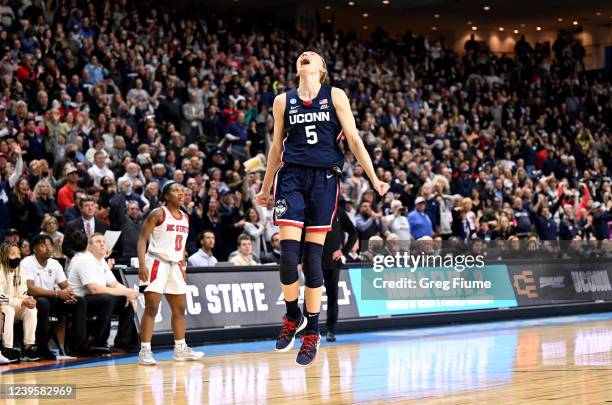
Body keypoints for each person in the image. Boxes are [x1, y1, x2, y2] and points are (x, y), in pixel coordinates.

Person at [255, 49, 389, 367]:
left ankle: (312, 331)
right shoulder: (282, 101)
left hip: (324, 180)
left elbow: (354, 139)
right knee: (288, 258)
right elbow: (276, 147)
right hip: (290, 178)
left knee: (313, 259)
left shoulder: (335, 95)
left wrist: (374, 179)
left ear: (321, 68)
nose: (304, 55)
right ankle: (293, 316)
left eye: (311, 55)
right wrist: (264, 186)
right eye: (301, 55)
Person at [137, 182, 203, 366]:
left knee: (180, 308)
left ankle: (180, 349)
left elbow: (179, 243)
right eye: (176, 191)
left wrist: (182, 257)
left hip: (175, 265)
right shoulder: (158, 213)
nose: (181, 194)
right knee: (152, 308)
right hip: (156, 262)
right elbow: (142, 239)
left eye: (183, 191)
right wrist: (142, 264)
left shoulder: (185, 217)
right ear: (166, 195)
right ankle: (145, 351)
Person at [67, 234, 138, 356]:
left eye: (104, 242)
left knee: (125, 301)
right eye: (98, 241)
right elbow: (94, 289)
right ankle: (99, 343)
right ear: (89, 247)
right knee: (107, 299)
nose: (102, 244)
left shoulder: (102, 262)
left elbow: (114, 284)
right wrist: (126, 292)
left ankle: (122, 342)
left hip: (96, 300)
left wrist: (130, 293)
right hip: (78, 301)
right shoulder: (84, 260)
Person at [22, 234, 87, 358]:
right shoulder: (27, 262)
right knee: (42, 302)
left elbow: (66, 286)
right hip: (32, 300)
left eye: (50, 245)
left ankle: (78, 346)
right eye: (43, 245)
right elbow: (30, 289)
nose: (48, 248)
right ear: (34, 249)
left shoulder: (55, 263)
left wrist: (70, 296)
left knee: (79, 301)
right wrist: (58, 293)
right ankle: (41, 347)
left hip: (52, 298)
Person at [322, 207, 358, 342]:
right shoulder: (310, 208)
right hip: (313, 260)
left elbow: (353, 232)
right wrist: (301, 259)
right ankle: (309, 331)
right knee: (309, 296)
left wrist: (343, 251)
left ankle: (331, 329)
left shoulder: (338, 211)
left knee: (332, 296)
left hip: (333, 261)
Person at [0, 243, 39, 362]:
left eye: (18, 254)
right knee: (9, 310)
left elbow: (22, 291)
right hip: (3, 306)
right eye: (12, 254)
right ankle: (7, 348)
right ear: (3, 256)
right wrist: (20, 301)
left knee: (31, 309)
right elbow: (0, 296)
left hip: (16, 304)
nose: (17, 257)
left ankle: (28, 346)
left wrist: (27, 299)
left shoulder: (20, 270)